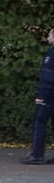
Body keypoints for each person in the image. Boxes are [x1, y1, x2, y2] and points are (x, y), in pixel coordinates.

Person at [20, 28, 54, 165]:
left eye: (49, 35)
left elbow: (48, 77)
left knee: (39, 122)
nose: (47, 38)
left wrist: (41, 95)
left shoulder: (51, 55)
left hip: (50, 94)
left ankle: (37, 154)